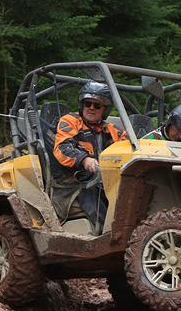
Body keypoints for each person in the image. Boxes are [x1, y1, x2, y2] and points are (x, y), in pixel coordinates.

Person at [51, 82, 127, 232]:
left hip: (104, 181)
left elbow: (129, 146)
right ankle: (107, 236)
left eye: (97, 105)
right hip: (74, 183)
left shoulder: (110, 129)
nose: (91, 108)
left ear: (104, 110)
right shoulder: (70, 121)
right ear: (82, 105)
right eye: (88, 103)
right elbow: (62, 148)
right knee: (98, 198)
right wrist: (85, 160)